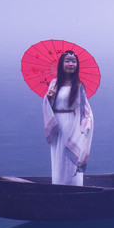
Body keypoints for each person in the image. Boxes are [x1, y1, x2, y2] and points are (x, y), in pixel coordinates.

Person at [43, 50, 94, 186]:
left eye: (74, 61)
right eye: (67, 61)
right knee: (58, 155)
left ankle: (73, 185)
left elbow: (85, 110)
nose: (71, 64)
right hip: (57, 122)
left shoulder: (78, 86)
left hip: (72, 123)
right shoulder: (54, 83)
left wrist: (86, 123)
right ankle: (58, 184)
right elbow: (48, 105)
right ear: (61, 64)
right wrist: (49, 98)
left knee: (69, 156)